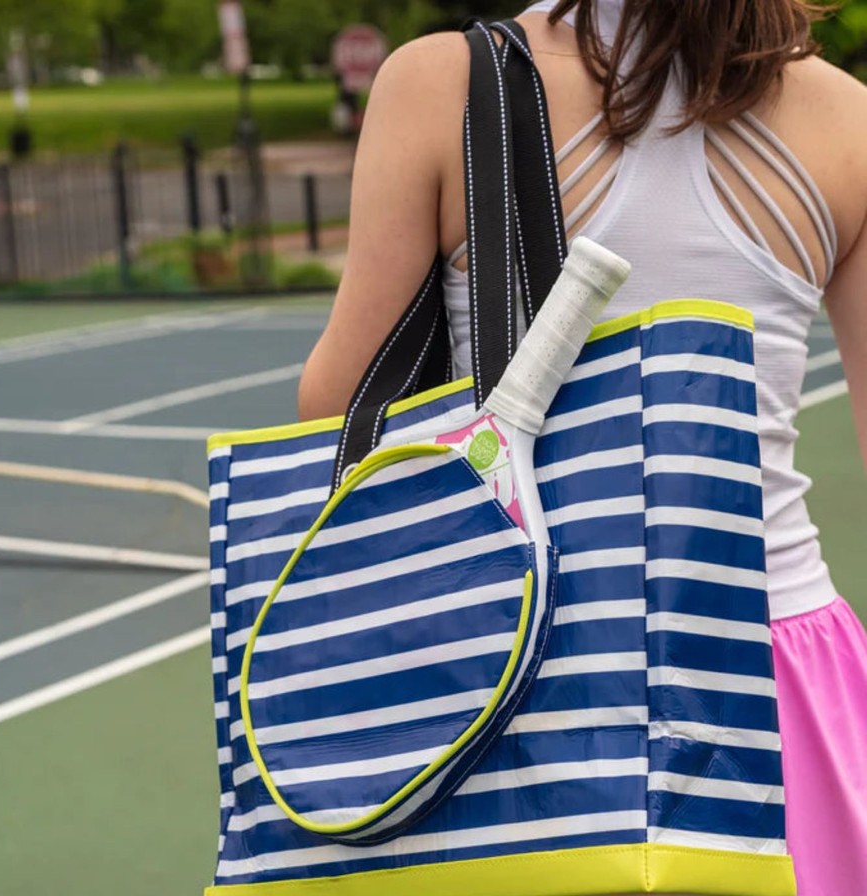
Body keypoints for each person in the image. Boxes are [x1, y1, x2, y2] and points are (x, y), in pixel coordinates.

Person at [298, 1, 867, 893]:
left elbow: (338, 407)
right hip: (776, 658)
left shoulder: (444, 81)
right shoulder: (846, 116)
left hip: (518, 666)